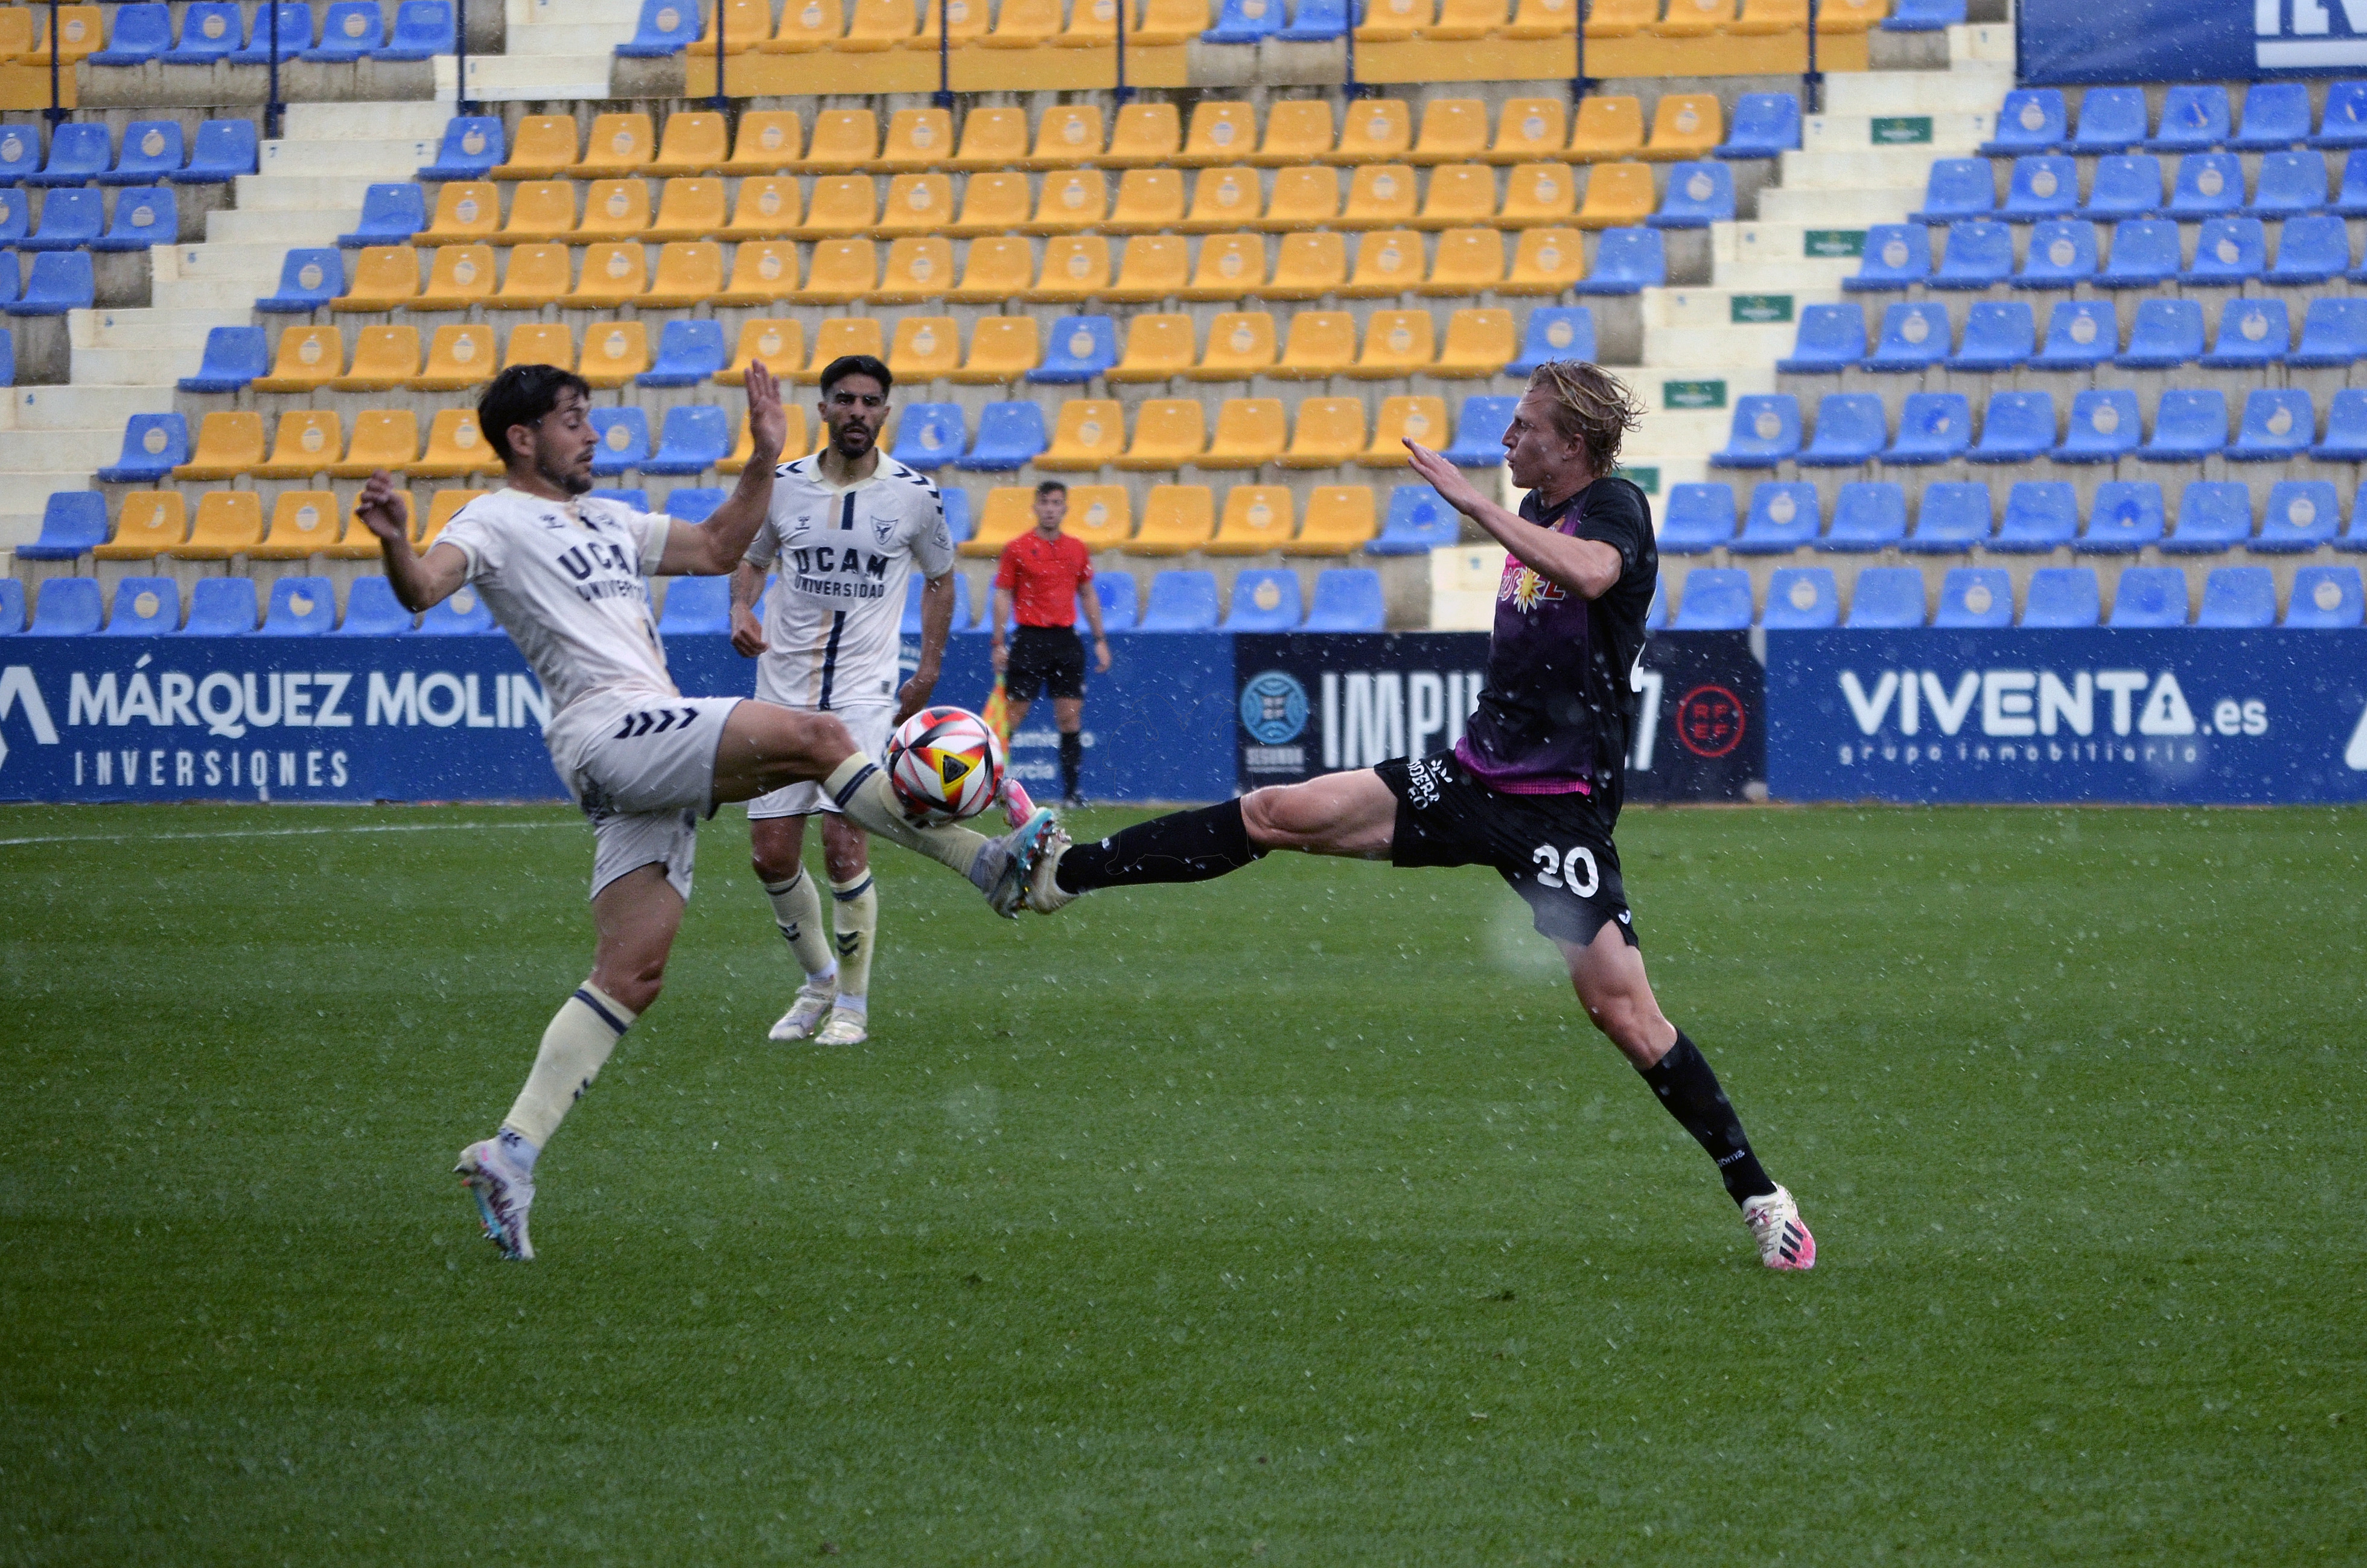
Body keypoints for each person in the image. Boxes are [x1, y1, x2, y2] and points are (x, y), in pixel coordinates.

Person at [1021, 360, 1814, 1271]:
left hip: (1559, 816)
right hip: (1470, 777)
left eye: (1524, 428)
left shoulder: (1613, 508)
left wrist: (1477, 508)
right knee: (1277, 809)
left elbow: (1596, 577)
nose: (1507, 440)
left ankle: (1757, 1191)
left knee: (1625, 1015)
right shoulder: (1539, 515)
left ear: (1574, 444)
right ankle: (1061, 875)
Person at [351, 362, 1065, 1262]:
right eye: (574, 420)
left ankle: (511, 1152)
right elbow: (423, 584)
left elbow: (722, 546)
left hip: (633, 756)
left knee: (632, 973)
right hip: (607, 729)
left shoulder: (610, 519)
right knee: (813, 735)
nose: (593, 433)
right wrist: (393, 543)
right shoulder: (494, 519)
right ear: (524, 439)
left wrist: (764, 455)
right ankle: (985, 864)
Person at [730, 354, 958, 1048]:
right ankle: (818, 980)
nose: (857, 411)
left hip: (863, 695)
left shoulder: (915, 496)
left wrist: (927, 668)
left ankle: (852, 1006)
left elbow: (941, 580)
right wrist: (741, 606)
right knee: (770, 854)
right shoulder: (783, 487)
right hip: (782, 689)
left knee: (842, 840)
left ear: (885, 413)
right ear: (823, 409)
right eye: (844, 400)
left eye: (870, 401)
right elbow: (751, 557)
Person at [989, 479, 1110, 808]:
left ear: (1065, 508)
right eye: (1045, 503)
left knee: (1070, 718)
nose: (1050, 509)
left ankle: (1071, 793)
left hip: (1066, 639)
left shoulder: (1076, 548)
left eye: (1056, 503)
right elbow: (1002, 593)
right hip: (1029, 638)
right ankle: (989, 787)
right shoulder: (1017, 548)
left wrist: (1100, 639)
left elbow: (1087, 592)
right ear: (1035, 507)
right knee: (1014, 715)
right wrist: (998, 642)